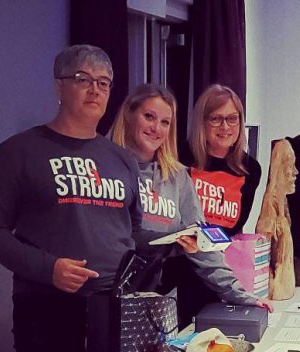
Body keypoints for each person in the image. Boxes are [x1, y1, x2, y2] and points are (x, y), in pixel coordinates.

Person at [0, 45, 150, 352]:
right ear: (59, 87)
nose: (94, 90)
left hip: (114, 310)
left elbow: (131, 231)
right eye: (83, 80)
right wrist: (49, 268)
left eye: (103, 83)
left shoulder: (121, 159)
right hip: (48, 308)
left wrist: (175, 243)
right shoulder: (20, 152)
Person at [109, 83, 272, 312]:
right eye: (149, 117)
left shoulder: (177, 176)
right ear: (128, 115)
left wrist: (238, 292)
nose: (156, 128)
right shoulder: (105, 167)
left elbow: (202, 239)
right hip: (108, 294)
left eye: (165, 122)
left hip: (161, 300)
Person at [161, 84, 263, 326]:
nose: (225, 127)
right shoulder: (178, 158)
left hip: (217, 274)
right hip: (175, 274)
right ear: (201, 122)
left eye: (232, 119)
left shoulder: (250, 169)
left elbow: (233, 229)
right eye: (216, 119)